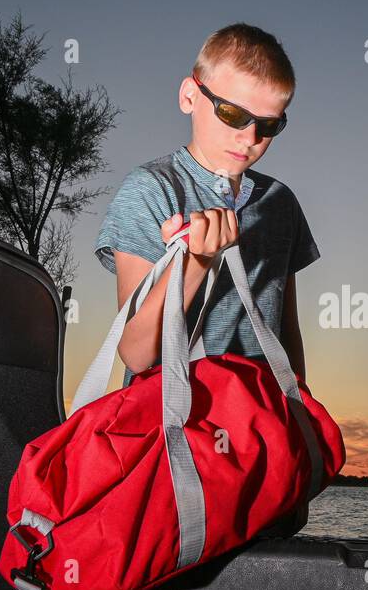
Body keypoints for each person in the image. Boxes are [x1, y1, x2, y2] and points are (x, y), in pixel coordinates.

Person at [94, 23, 319, 388]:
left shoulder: (281, 203)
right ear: (189, 96)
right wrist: (194, 262)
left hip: (261, 421)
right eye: (232, 114)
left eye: (269, 125)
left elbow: (286, 329)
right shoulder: (150, 190)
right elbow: (136, 353)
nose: (249, 138)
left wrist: (299, 411)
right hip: (173, 423)